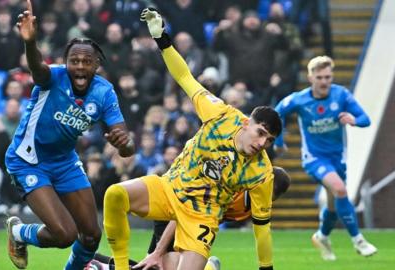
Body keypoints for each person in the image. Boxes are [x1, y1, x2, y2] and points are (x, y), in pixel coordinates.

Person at [103, 8, 282, 270]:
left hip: (202, 217)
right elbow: (184, 77)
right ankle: (120, 267)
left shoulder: (262, 173)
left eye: (269, 141)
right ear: (247, 123)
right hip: (169, 189)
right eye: (261, 133)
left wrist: (266, 268)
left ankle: (207, 267)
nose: (262, 144)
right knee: (115, 195)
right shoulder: (220, 114)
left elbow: (262, 230)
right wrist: (162, 39)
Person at [4, 1, 135, 269]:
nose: (79, 66)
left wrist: (125, 144)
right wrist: (30, 43)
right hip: (28, 160)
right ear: (66, 63)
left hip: (64, 162)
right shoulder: (52, 77)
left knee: (91, 236)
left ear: (96, 64)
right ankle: (18, 233)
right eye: (74, 61)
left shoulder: (104, 92)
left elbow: (125, 141)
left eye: (87, 61)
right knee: (64, 235)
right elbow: (37, 67)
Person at [274, 56, 377, 261]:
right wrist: (278, 141)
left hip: (337, 159)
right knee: (340, 189)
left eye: (328, 77)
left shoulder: (341, 95)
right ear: (311, 77)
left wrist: (354, 120)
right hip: (314, 158)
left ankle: (322, 236)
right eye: (319, 77)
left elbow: (366, 119)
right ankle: (358, 240)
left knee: (333, 206)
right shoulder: (300, 99)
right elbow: (277, 112)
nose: (324, 81)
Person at [93, 167, 290, 270]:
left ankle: (95, 262)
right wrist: (159, 251)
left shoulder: (253, 207)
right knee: (160, 263)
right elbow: (181, 213)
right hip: (173, 207)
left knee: (153, 266)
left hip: (189, 220)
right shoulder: (233, 190)